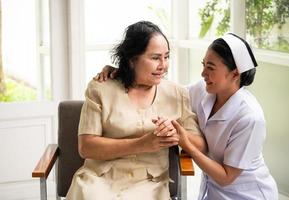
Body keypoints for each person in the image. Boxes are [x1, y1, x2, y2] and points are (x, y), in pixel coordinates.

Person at [97, 33, 278, 199]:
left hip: (248, 194)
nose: (203, 73)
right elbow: (169, 93)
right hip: (214, 192)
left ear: (235, 73)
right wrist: (123, 73)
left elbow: (226, 178)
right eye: (203, 65)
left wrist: (186, 144)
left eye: (210, 67)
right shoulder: (204, 90)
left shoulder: (250, 118)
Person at [66, 21, 204, 200]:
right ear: (132, 60)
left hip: (149, 184)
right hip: (100, 179)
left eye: (167, 57)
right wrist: (143, 144)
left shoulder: (178, 94)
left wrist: (177, 134)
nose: (163, 65)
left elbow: (200, 145)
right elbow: (86, 147)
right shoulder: (100, 89)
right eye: (155, 58)